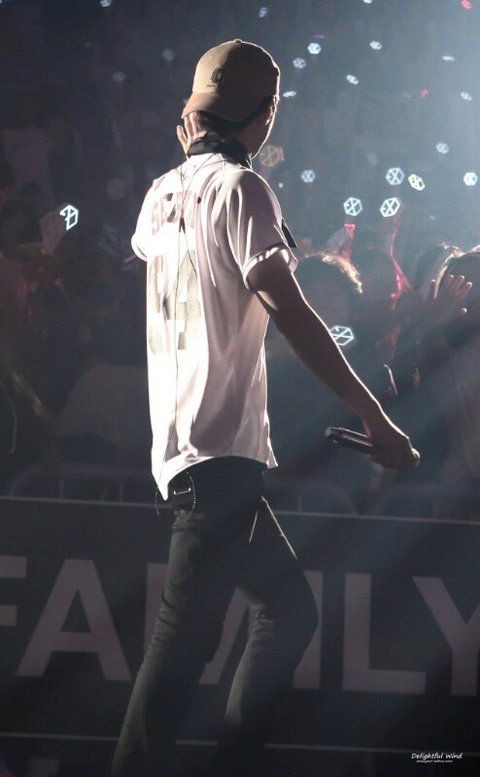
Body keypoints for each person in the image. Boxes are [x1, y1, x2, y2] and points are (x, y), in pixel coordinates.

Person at [112, 39, 419, 777]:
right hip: (217, 449)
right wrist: (376, 415)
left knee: (284, 611)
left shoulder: (163, 192)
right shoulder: (243, 189)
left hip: (190, 449)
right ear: (269, 112)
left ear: (195, 111)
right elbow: (290, 308)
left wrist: (198, 157)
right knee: (183, 641)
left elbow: (154, 243)